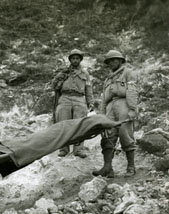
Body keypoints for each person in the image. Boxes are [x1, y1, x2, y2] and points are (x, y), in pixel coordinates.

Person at [93, 50, 138, 178]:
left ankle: (131, 166)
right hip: (110, 107)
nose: (112, 63)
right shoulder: (108, 79)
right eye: (109, 61)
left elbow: (132, 91)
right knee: (108, 135)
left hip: (124, 104)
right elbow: (103, 99)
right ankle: (107, 168)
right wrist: (102, 115)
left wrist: (132, 109)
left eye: (114, 60)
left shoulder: (128, 73)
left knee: (125, 134)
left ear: (120, 61)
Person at [51, 49, 94, 158]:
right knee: (63, 124)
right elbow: (54, 85)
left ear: (80, 60)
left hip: (79, 98)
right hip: (65, 98)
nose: (75, 60)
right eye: (73, 58)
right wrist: (60, 76)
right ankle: (63, 149)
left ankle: (78, 149)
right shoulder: (63, 72)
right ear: (70, 60)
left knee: (80, 125)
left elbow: (88, 88)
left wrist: (90, 102)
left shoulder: (85, 73)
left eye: (77, 58)